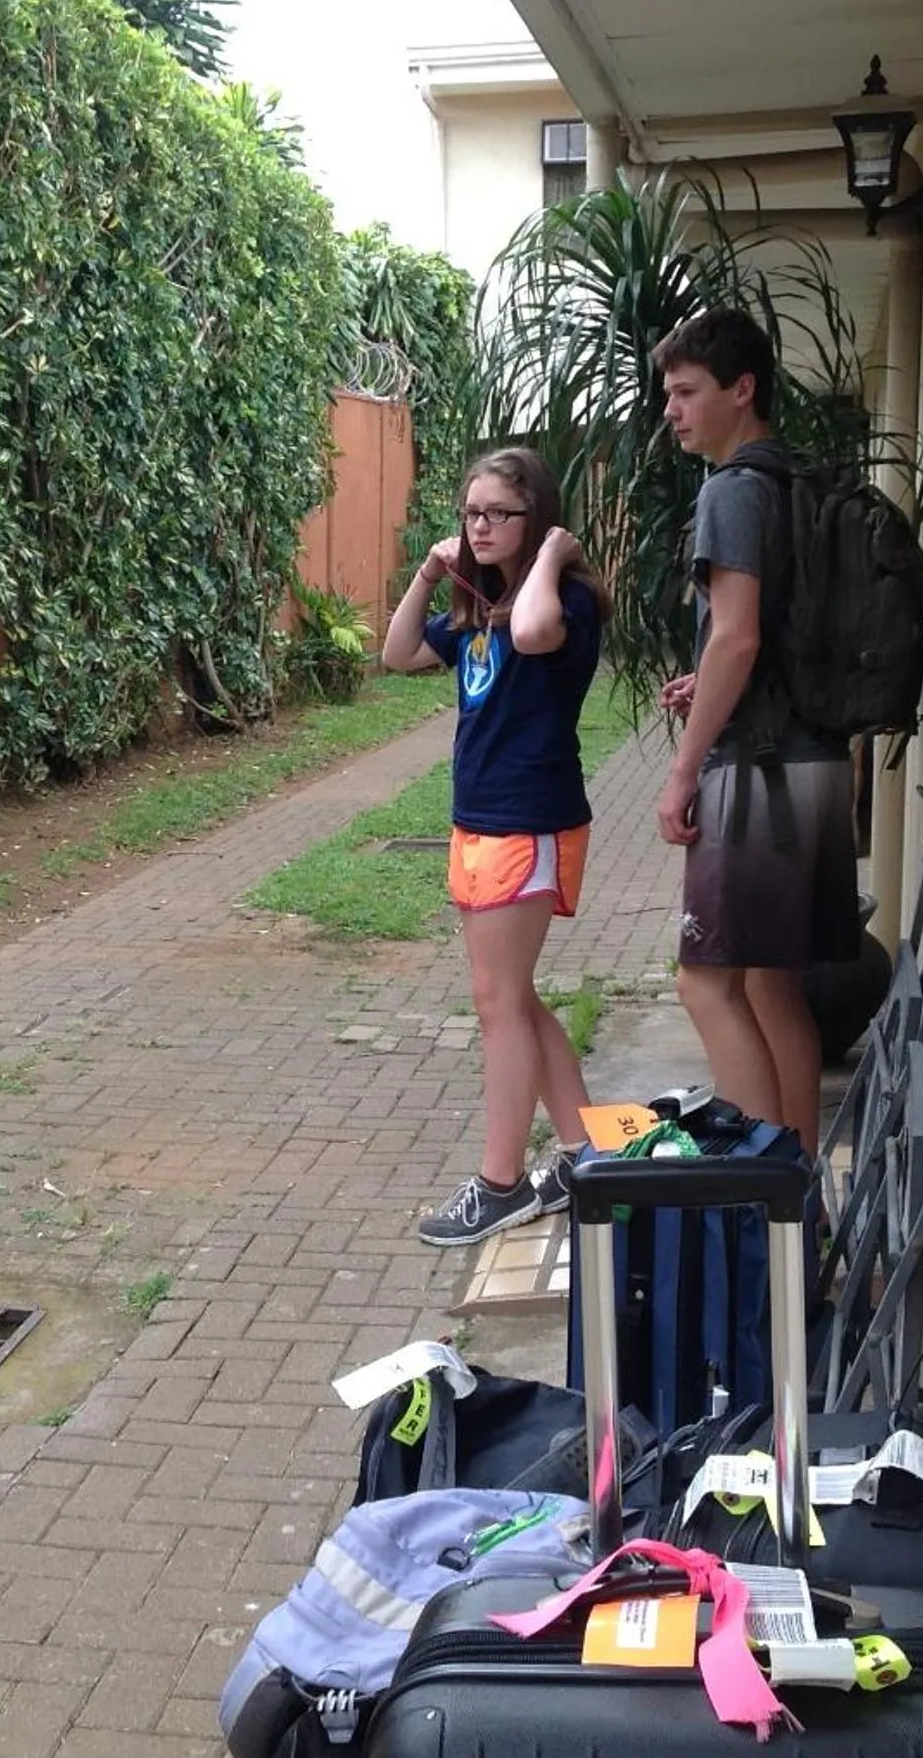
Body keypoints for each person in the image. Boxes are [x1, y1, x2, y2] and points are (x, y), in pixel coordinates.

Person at [381, 446, 611, 1246]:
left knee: (498, 1004)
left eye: (498, 514)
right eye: (471, 513)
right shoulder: (481, 606)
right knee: (510, 998)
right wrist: (427, 577)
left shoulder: (564, 600)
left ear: (534, 517)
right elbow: (398, 652)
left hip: (529, 819)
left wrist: (552, 552)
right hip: (477, 819)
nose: (479, 526)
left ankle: (502, 1181)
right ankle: (586, 1152)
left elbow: (538, 629)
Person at [649, 307, 859, 1155]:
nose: (672, 409)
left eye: (688, 391)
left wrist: (680, 772)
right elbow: (772, 632)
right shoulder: (795, 479)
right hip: (816, 764)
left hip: (758, 776)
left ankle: (756, 1193)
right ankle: (796, 1196)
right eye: (668, 393)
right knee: (776, 989)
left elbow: (737, 634)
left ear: (743, 390)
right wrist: (715, 678)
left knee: (705, 985)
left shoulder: (732, 490)